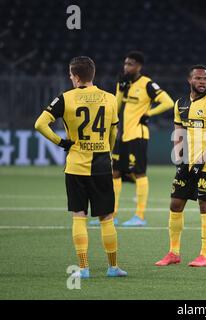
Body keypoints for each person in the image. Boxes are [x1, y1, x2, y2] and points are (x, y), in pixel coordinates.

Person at [34, 56, 127, 278]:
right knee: (106, 217)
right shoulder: (110, 98)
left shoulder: (65, 98)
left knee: (79, 215)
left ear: (75, 76)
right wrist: (108, 150)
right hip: (102, 165)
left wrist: (62, 142)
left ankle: (83, 268)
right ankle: (113, 267)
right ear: (92, 74)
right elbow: (114, 132)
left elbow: (40, 124)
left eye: (70, 74)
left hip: (76, 165)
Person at [155, 65, 206, 267]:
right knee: (175, 204)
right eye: (198, 78)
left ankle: (204, 255)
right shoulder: (181, 104)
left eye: (205, 78)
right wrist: (179, 158)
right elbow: (178, 133)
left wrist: (201, 161)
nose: (203, 82)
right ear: (189, 80)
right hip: (186, 163)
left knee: (205, 206)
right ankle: (173, 253)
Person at [104, 51, 174, 227]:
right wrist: (120, 88)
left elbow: (168, 102)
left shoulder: (147, 84)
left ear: (139, 66)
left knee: (139, 173)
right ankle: (112, 214)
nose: (126, 67)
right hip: (122, 135)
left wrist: (149, 113)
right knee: (116, 173)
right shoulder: (124, 83)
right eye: (125, 63)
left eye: (130, 64)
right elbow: (117, 106)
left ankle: (140, 216)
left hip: (138, 135)